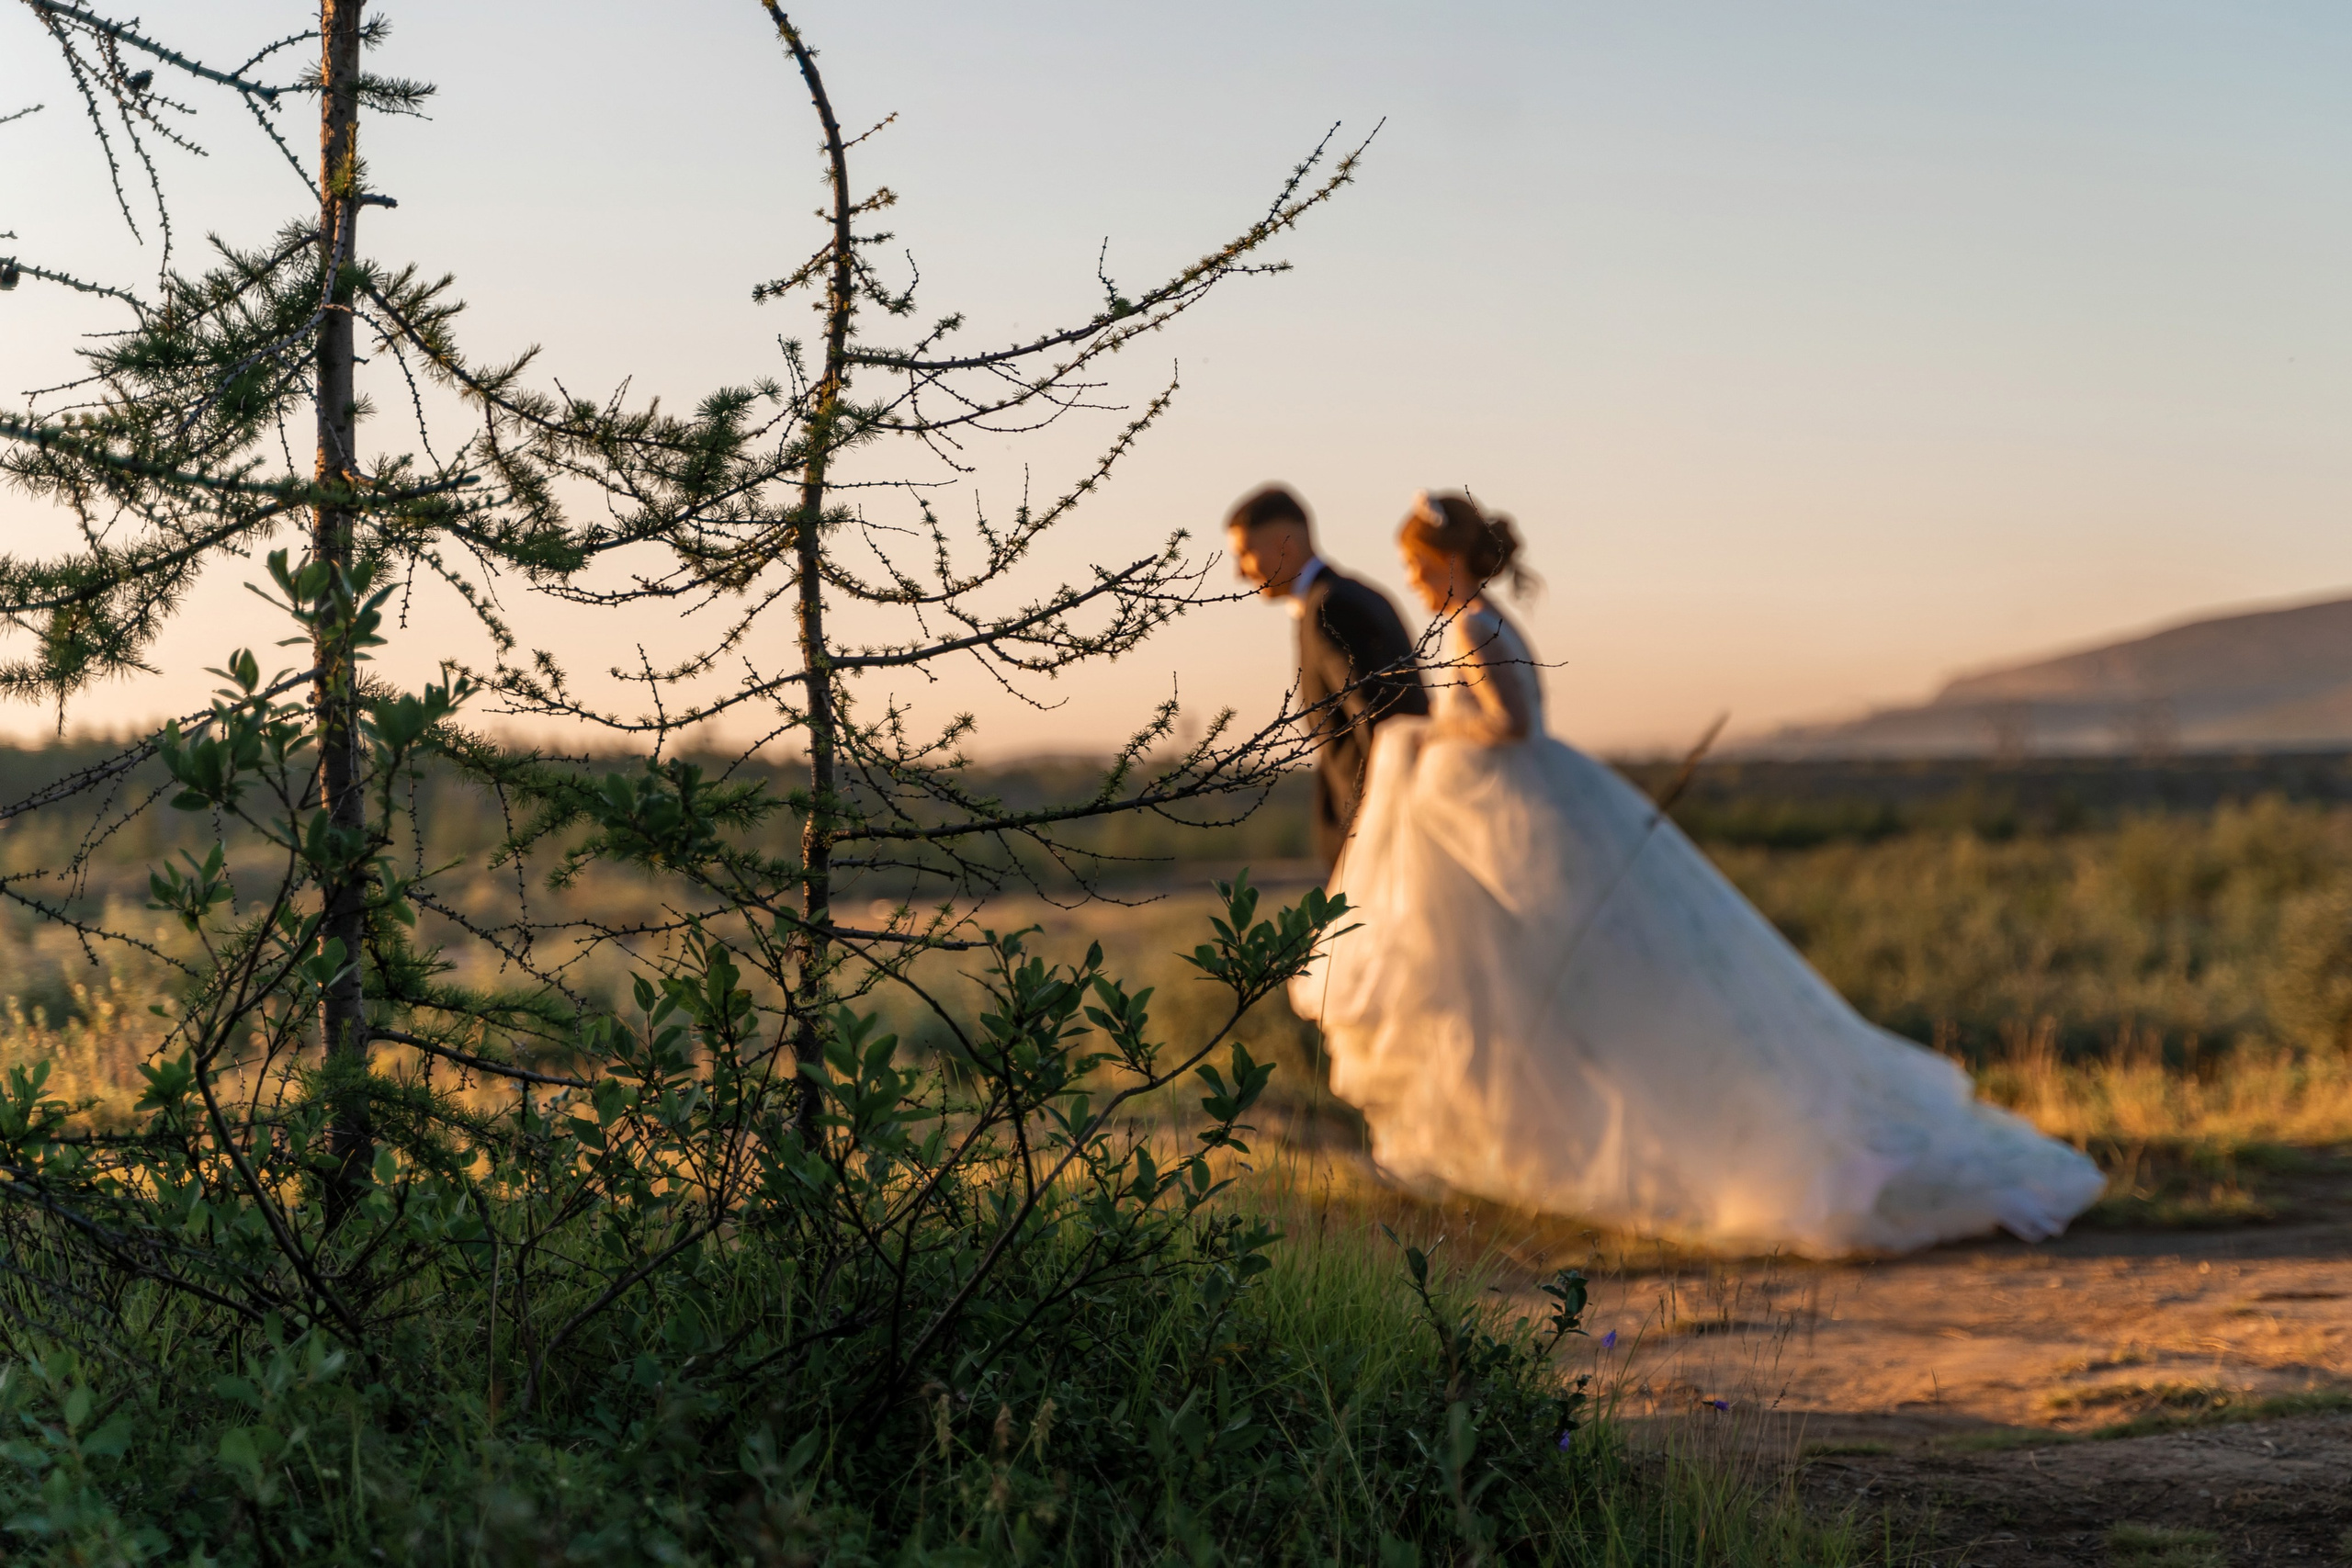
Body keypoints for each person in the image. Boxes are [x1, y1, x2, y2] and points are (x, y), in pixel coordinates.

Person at [1290, 491, 2106, 1258]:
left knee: (1594, 999)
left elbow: (1512, 723)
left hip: (1522, 820)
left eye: (1413, 563)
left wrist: (1425, 741)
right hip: (1516, 814)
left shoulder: (1472, 625)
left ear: (1442, 560)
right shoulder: (1479, 620)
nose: (1408, 579)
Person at [1226, 484, 1429, 869]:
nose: (1239, 572)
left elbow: (1382, 724)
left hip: (1382, 838)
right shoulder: (1349, 597)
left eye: (1246, 552)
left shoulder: (1333, 608)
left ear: (1286, 543)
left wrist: (1375, 835)